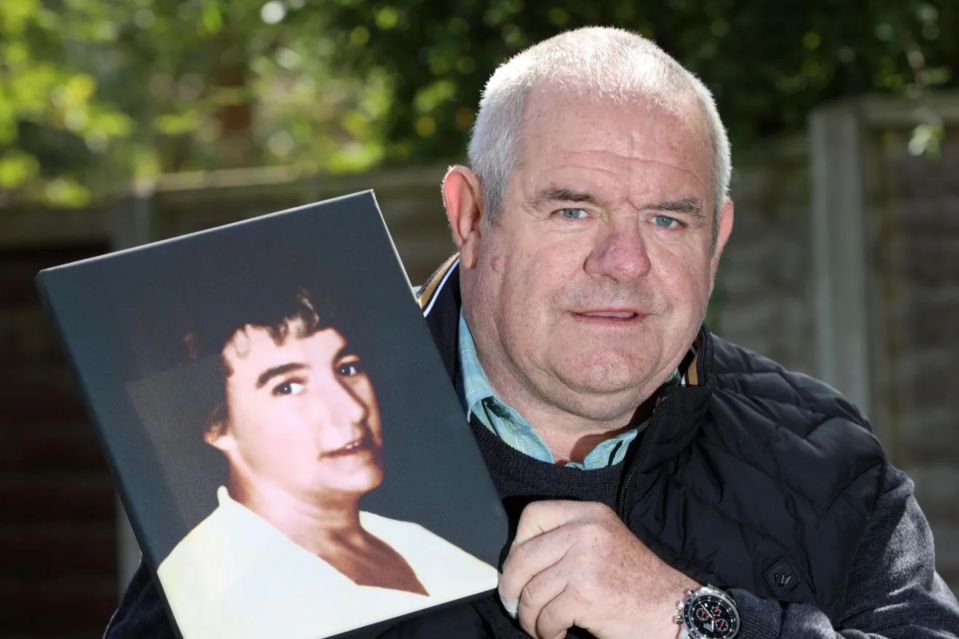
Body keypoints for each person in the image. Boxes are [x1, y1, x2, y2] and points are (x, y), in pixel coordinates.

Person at [106, 26, 959, 639]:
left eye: (668, 219)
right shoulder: (290, 473)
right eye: (572, 208)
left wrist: (692, 620)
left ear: (718, 239)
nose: (624, 260)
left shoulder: (821, 455)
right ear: (468, 216)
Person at [150, 285, 498, 639]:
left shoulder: (416, 541)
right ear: (215, 424)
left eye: (347, 369)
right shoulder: (201, 590)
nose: (351, 410)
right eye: (288, 387)